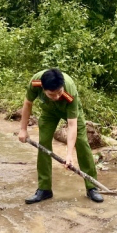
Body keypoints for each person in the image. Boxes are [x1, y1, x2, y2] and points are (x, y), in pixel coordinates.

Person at [17, 68, 103, 204]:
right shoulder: (35, 83)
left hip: (69, 110)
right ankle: (44, 189)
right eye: (52, 94)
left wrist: (69, 155)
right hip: (49, 112)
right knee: (43, 142)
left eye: (59, 92)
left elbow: (72, 125)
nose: (56, 97)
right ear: (43, 89)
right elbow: (28, 103)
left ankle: (92, 187)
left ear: (62, 87)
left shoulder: (69, 91)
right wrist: (23, 129)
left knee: (82, 143)